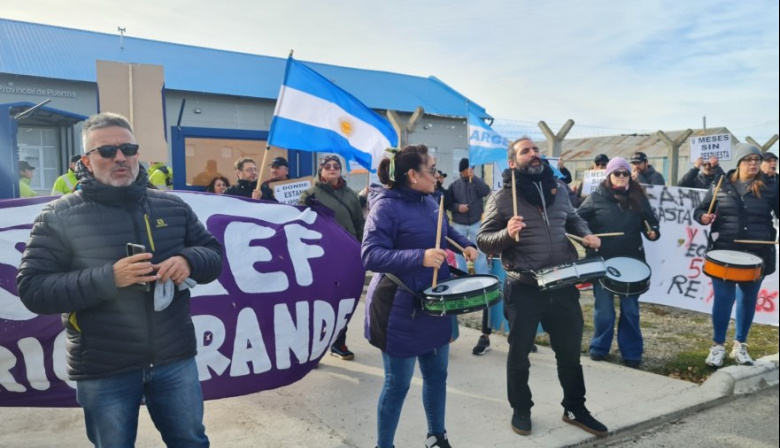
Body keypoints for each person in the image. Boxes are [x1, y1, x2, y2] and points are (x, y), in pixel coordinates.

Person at [16, 112, 223, 447]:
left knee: (191, 441)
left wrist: (190, 260)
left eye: (128, 148)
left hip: (174, 359)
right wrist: (109, 277)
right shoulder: (58, 217)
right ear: (86, 160)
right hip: (104, 366)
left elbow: (213, 255)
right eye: (107, 151)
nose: (120, 157)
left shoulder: (172, 207)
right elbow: (33, 290)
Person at [477, 136, 608, 438]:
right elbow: (483, 240)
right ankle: (521, 408)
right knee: (519, 353)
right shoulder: (502, 197)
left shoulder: (559, 189)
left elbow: (572, 219)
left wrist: (587, 235)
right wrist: (507, 235)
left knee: (570, 352)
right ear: (512, 162)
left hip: (562, 284)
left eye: (536, 150)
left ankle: (575, 407)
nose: (534, 154)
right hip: (524, 288)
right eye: (526, 151)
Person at [362, 144, 477, 448]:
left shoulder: (430, 201)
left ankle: (437, 436)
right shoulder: (385, 206)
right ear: (412, 175)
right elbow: (370, 255)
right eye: (432, 170)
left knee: (437, 376)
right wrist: (419, 257)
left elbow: (445, 230)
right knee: (397, 383)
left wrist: (464, 244)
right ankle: (383, 445)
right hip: (399, 306)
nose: (438, 176)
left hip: (435, 302)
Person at [695, 144, 779, 367]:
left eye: (756, 159)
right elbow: (701, 210)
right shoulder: (721, 183)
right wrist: (703, 216)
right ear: (739, 163)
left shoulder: (771, 186)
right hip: (723, 251)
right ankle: (717, 346)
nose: (753, 163)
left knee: (747, 300)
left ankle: (740, 345)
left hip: (757, 252)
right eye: (748, 159)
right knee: (723, 300)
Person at [576, 157, 661, 368]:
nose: (622, 177)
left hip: (632, 262)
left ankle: (632, 352)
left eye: (625, 173)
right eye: (617, 173)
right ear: (609, 175)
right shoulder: (595, 198)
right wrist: (587, 236)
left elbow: (652, 222)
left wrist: (653, 232)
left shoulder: (638, 197)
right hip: (603, 261)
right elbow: (577, 221)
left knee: (630, 310)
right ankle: (599, 347)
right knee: (604, 310)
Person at [299, 155, 365, 361]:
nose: (332, 169)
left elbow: (359, 223)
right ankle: (314, 347)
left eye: (336, 166)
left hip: (348, 256)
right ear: (321, 171)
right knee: (319, 302)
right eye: (327, 166)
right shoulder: (310, 194)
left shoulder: (351, 195)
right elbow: (301, 224)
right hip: (322, 256)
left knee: (343, 300)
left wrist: (361, 247)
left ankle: (338, 342)